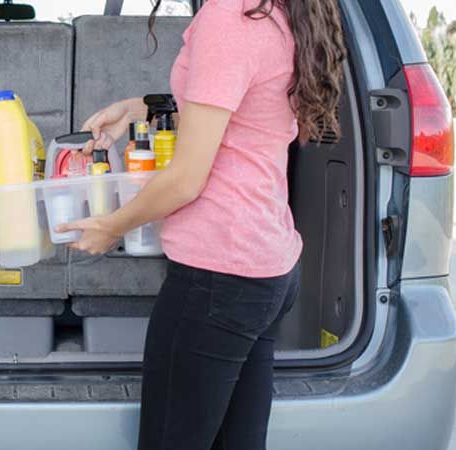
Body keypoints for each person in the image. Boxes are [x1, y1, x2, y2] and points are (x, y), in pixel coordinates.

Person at [57, 0, 346, 448]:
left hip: (219, 276)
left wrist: (113, 225)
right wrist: (143, 108)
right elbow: (242, 106)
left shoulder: (229, 16)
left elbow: (186, 179)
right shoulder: (275, 12)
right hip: (265, 266)